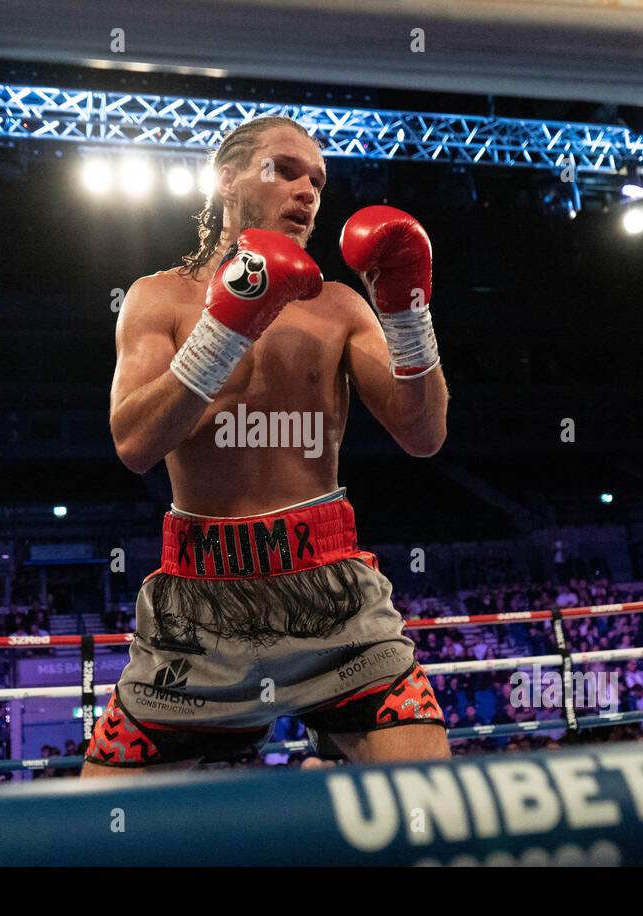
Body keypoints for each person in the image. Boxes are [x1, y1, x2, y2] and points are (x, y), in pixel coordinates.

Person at [86, 115, 450, 773]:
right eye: (284, 170)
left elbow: (423, 434)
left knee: (425, 806)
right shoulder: (158, 297)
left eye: (317, 179)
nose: (307, 191)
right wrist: (230, 321)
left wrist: (406, 311)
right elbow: (134, 441)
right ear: (227, 179)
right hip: (197, 608)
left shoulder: (340, 304)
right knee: (107, 832)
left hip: (335, 598)